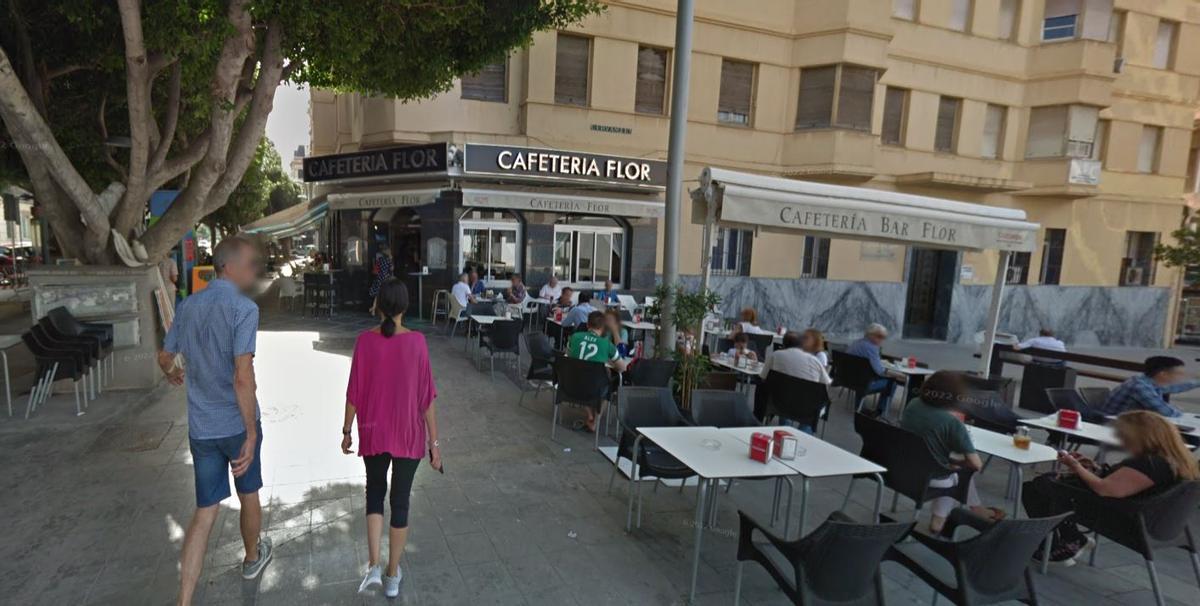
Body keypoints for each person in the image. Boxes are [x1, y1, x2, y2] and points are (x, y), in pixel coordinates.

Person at [157, 236, 272, 605]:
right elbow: (243, 376)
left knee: (205, 511)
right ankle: (252, 557)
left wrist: (172, 373)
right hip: (236, 425)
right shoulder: (244, 310)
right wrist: (251, 432)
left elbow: (165, 356)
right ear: (230, 266)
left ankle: (184, 599)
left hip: (202, 429)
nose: (254, 272)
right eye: (251, 264)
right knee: (248, 493)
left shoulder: (188, 306)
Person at [342, 279, 441, 598]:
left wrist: (346, 431)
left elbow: (353, 392)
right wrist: (434, 445)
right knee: (400, 502)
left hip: (373, 429)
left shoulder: (364, 341)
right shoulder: (417, 342)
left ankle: (372, 564)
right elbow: (427, 398)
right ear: (405, 308)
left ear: (379, 306)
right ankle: (392, 574)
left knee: (374, 494)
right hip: (409, 433)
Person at [1022, 411, 1200, 565]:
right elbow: (1129, 482)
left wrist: (1075, 466)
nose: (1121, 440)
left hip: (1125, 519)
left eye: (1124, 435)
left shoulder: (1149, 464)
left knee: (1039, 488)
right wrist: (1095, 469)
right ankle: (1067, 539)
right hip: (1159, 519)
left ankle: (1061, 543)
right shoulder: (1175, 460)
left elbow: (1105, 490)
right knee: (1047, 484)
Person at [900, 371, 1003, 533]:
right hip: (928, 476)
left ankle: (976, 509)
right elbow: (977, 465)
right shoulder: (952, 422)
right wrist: (959, 461)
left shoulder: (913, 404)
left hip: (901, 466)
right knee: (960, 472)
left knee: (951, 466)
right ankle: (939, 520)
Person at [567, 310, 628, 431]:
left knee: (584, 379)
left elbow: (568, 356)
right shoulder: (606, 344)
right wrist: (609, 363)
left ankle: (589, 414)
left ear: (588, 325)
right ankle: (595, 420)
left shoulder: (574, 337)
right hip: (595, 389)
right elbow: (623, 368)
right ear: (603, 327)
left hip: (570, 385)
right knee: (607, 386)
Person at [754, 331, 832, 425]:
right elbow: (826, 384)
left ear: (783, 344)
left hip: (779, 402)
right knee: (810, 405)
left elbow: (763, 377)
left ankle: (759, 421)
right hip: (806, 407)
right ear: (800, 344)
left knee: (773, 391)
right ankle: (804, 431)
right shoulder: (815, 361)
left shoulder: (776, 355)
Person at [1098, 356, 1200, 418]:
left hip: (1129, 422)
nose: (1181, 377)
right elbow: (1167, 412)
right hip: (1115, 426)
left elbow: (1175, 387)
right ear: (1163, 374)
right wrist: (1178, 410)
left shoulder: (1147, 380)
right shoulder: (1140, 387)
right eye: (1178, 374)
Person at [846, 323, 898, 416]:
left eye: (883, 337)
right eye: (879, 336)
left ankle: (860, 406)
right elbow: (879, 371)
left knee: (863, 376)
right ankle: (880, 411)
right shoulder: (871, 347)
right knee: (892, 383)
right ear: (870, 334)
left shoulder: (856, 343)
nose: (881, 339)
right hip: (861, 382)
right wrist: (893, 374)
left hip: (847, 379)